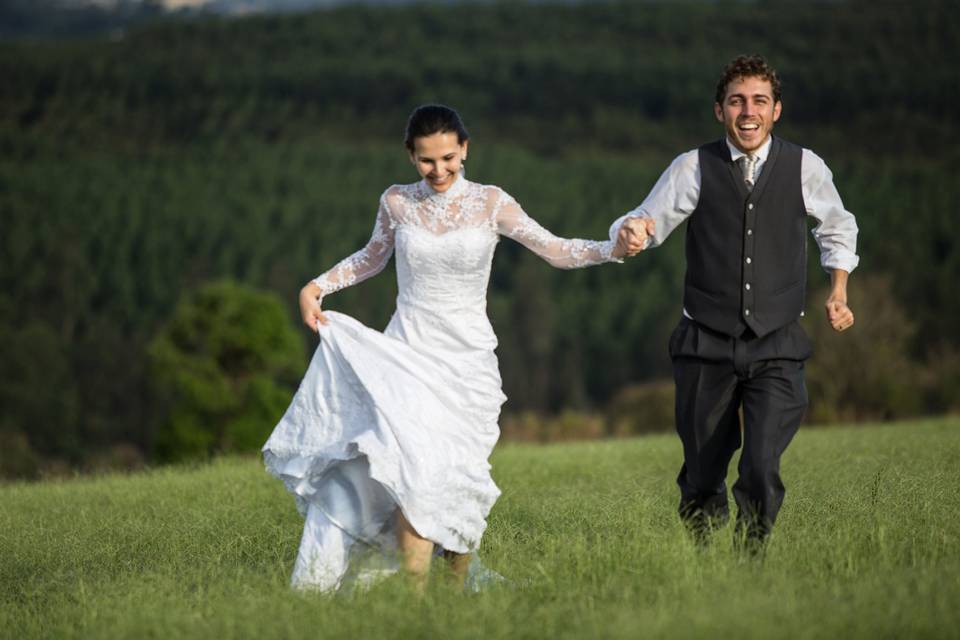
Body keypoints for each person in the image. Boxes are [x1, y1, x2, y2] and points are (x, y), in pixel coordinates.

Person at [263, 104, 628, 593]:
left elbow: (555, 249)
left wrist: (613, 248)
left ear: (466, 149)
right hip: (408, 355)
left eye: (449, 158)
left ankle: (454, 589)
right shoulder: (396, 202)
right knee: (415, 475)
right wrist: (317, 286)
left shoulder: (491, 202)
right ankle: (415, 605)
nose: (439, 170)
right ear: (410, 156)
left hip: (469, 363)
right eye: (426, 160)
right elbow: (372, 258)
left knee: (456, 475)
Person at [612, 55, 859, 549]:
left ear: (777, 110)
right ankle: (701, 556)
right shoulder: (692, 167)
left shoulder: (805, 166)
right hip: (706, 341)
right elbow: (647, 217)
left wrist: (838, 290)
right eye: (737, 101)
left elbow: (836, 227)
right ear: (719, 110)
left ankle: (752, 558)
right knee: (703, 473)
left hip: (778, 342)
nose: (749, 111)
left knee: (762, 463)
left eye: (759, 101)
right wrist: (633, 230)